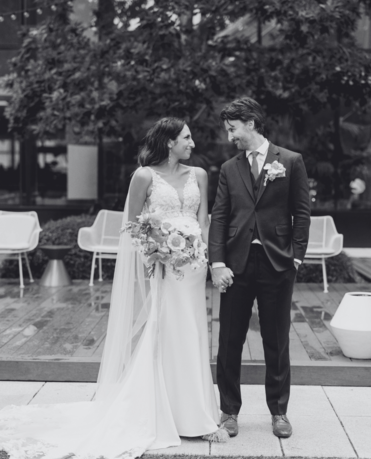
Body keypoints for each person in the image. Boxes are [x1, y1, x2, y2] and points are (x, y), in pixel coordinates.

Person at [0, 117, 227, 459]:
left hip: (193, 268)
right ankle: (164, 414)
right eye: (187, 137)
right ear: (169, 142)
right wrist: (157, 250)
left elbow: (204, 221)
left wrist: (211, 262)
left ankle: (198, 415)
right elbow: (132, 227)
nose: (192, 143)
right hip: (164, 267)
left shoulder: (200, 175)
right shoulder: (144, 176)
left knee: (194, 333)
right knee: (167, 332)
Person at [209, 97, 311, 439]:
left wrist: (295, 258)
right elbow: (220, 217)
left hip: (277, 263)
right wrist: (218, 262)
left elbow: (302, 213)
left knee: (277, 340)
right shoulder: (228, 168)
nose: (230, 137)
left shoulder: (291, 161)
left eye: (233, 128)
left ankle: (279, 412)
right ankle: (228, 411)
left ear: (250, 123)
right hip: (235, 265)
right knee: (229, 341)